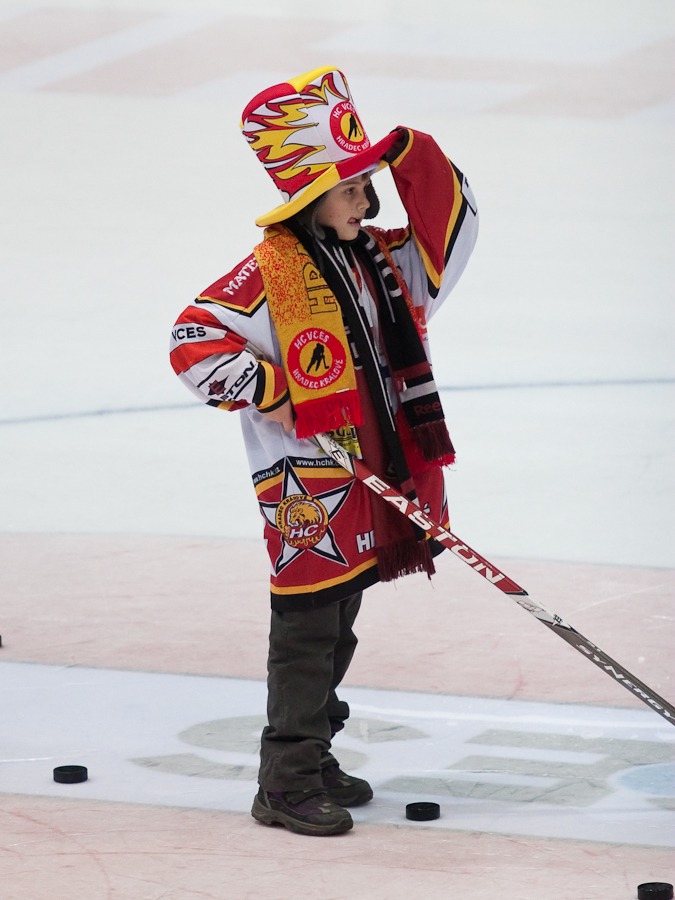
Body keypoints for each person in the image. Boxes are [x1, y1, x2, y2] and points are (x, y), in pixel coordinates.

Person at [170, 65, 478, 836]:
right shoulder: (265, 274)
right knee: (307, 626)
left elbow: (452, 230)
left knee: (339, 622)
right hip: (310, 484)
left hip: (375, 473)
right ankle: (285, 781)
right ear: (308, 198)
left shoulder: (381, 259)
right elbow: (191, 341)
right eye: (350, 188)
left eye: (369, 184)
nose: (366, 201)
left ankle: (316, 755)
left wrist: (411, 153)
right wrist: (274, 390)